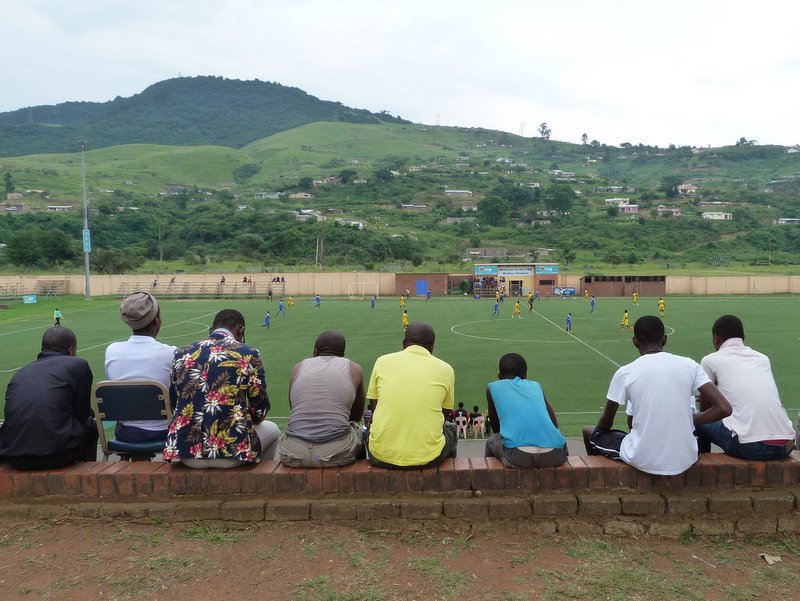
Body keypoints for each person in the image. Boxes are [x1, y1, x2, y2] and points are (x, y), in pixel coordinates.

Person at [583, 315, 731, 476]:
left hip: (643, 458)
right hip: (686, 457)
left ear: (635, 341)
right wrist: (690, 418)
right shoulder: (689, 365)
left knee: (591, 432)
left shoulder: (625, 372)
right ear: (664, 339)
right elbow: (724, 408)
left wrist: (601, 431)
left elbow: (606, 422)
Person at [163, 309, 280, 467]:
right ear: (241, 330)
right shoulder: (249, 354)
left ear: (211, 330)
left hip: (186, 453)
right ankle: (257, 477)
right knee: (273, 429)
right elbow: (259, 410)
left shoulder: (180, 353)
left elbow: (174, 403)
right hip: (232, 453)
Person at [695, 315, 795, 460]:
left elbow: (705, 410)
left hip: (754, 446)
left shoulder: (710, 360)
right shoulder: (762, 359)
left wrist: (710, 399)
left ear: (716, 338)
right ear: (744, 337)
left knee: (698, 421)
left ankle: (701, 465)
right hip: (787, 444)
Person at [0, 327, 97, 470]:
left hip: (14, 456)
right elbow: (82, 415)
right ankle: (87, 473)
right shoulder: (78, 364)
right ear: (71, 350)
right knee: (92, 427)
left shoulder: (21, 372)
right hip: (57, 455)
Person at [365, 322, 457, 468]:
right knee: (450, 428)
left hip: (380, 455)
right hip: (429, 457)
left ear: (404, 344)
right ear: (432, 346)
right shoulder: (446, 369)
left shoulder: (382, 361)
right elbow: (444, 412)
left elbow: (374, 406)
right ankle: (449, 476)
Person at [278, 331, 366, 467]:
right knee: (358, 429)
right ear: (342, 353)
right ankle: (359, 474)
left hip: (293, 453)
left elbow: (293, 407)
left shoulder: (298, 367)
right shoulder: (354, 369)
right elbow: (355, 416)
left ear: (315, 351)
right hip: (336, 453)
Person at [105, 291, 176, 443]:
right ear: (156, 321)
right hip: (165, 431)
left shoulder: (112, 350)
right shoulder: (171, 353)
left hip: (126, 432)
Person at [485, 353, 568, 468]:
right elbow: (554, 425)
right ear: (525, 375)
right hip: (555, 454)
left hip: (519, 456)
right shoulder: (536, 386)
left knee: (492, 440)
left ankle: (491, 477)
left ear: (499, 376)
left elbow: (496, 430)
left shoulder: (492, 388)